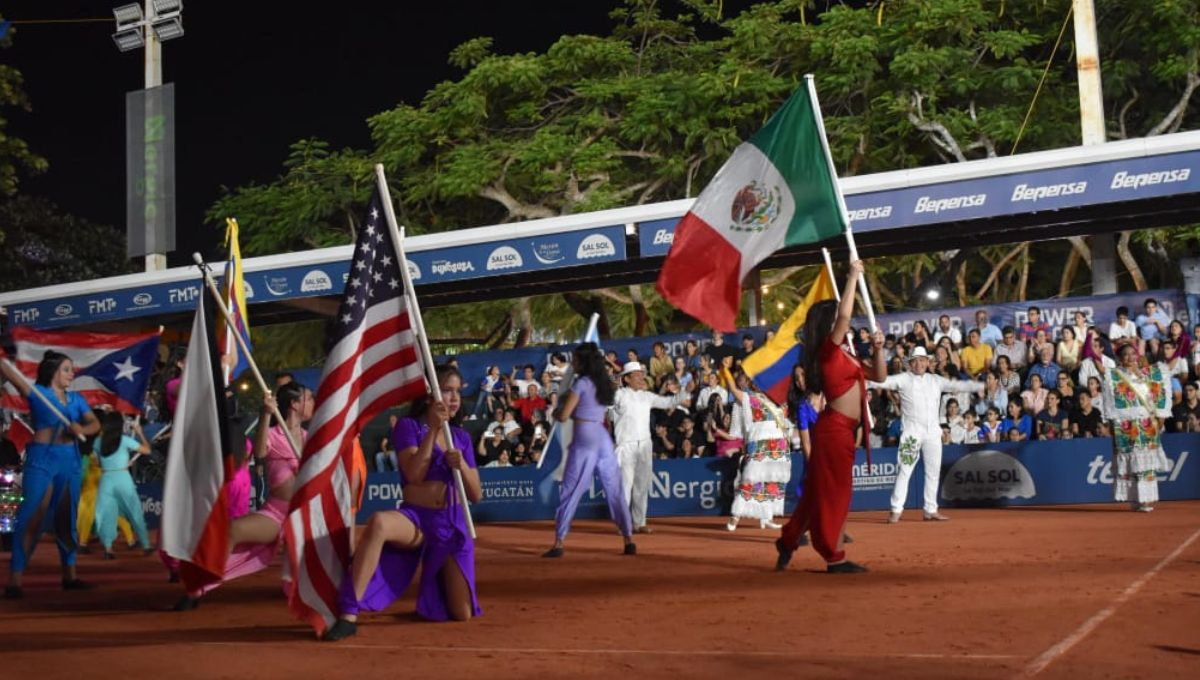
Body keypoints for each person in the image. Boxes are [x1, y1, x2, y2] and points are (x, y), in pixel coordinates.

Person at [324, 365, 481, 641]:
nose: (454, 397)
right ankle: (348, 612)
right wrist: (433, 431)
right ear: (430, 394)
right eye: (447, 390)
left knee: (462, 613)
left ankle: (435, 580)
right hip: (417, 519)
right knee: (379, 523)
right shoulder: (408, 427)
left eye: (458, 391)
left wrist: (463, 467)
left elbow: (476, 494)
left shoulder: (462, 438)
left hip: (452, 524)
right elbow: (414, 475)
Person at [776, 260, 886, 574]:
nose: (843, 320)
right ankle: (833, 555)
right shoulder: (827, 350)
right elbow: (846, 316)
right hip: (834, 430)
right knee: (836, 493)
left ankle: (788, 540)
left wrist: (878, 349)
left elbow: (879, 376)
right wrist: (852, 277)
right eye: (836, 317)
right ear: (830, 322)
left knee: (817, 495)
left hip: (840, 431)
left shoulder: (844, 353)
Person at [173, 382, 313, 610]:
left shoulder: (310, 437)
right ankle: (197, 588)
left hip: (303, 514)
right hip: (276, 513)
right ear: (295, 404)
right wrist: (266, 415)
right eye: (309, 398)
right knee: (232, 530)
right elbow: (259, 452)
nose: (313, 403)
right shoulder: (274, 434)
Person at [2, 350, 101, 598]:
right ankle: (15, 580)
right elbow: (14, 376)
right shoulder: (39, 394)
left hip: (70, 460)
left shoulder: (76, 399)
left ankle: (70, 576)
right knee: (31, 517)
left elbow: (95, 424)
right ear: (53, 372)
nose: (72, 374)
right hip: (42, 460)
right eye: (66, 369)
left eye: (72, 369)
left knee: (67, 518)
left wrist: (81, 429)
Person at [543, 343, 635, 558]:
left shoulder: (581, 383)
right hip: (602, 437)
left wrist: (555, 411)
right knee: (615, 489)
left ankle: (559, 542)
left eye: (575, 359)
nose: (572, 362)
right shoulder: (603, 383)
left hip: (585, 438)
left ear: (583, 361)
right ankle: (628, 538)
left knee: (571, 489)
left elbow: (564, 416)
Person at [870, 347, 983, 524]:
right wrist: (862, 380)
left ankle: (930, 509)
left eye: (922, 360)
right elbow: (881, 381)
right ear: (910, 363)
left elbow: (958, 385)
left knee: (933, 472)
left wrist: (981, 386)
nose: (919, 364)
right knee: (904, 470)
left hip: (933, 433)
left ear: (927, 362)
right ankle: (895, 509)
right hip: (911, 434)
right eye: (915, 360)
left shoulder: (936, 380)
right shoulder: (903, 378)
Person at [610, 361, 686, 534]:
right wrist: (612, 386)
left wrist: (684, 391)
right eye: (636, 376)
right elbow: (607, 400)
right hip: (626, 445)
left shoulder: (647, 396)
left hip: (645, 445)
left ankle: (639, 522)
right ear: (627, 379)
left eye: (641, 375)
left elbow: (669, 402)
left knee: (642, 486)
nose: (640, 378)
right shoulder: (620, 394)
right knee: (625, 487)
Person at [1101, 344, 1171, 512]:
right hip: (1126, 426)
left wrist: (1160, 417)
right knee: (1130, 463)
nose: (1130, 357)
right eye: (1125, 354)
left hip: (1146, 425)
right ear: (1120, 358)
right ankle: (1135, 499)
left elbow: (1161, 383)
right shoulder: (1114, 375)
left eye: (1133, 353)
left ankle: (1145, 500)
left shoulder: (1148, 373)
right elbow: (1109, 401)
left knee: (1145, 464)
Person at [724, 369, 793, 531]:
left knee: (773, 482)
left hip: (779, 446)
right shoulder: (750, 398)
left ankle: (767, 517)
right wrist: (726, 371)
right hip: (760, 445)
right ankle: (735, 516)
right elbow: (733, 389)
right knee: (751, 480)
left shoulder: (778, 401)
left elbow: (786, 425)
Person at [93, 412, 153, 558]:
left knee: (106, 514)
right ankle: (146, 545)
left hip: (106, 479)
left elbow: (97, 463)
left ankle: (108, 549)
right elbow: (147, 450)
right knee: (135, 513)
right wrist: (140, 433)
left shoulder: (98, 442)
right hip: (123, 478)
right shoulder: (125, 440)